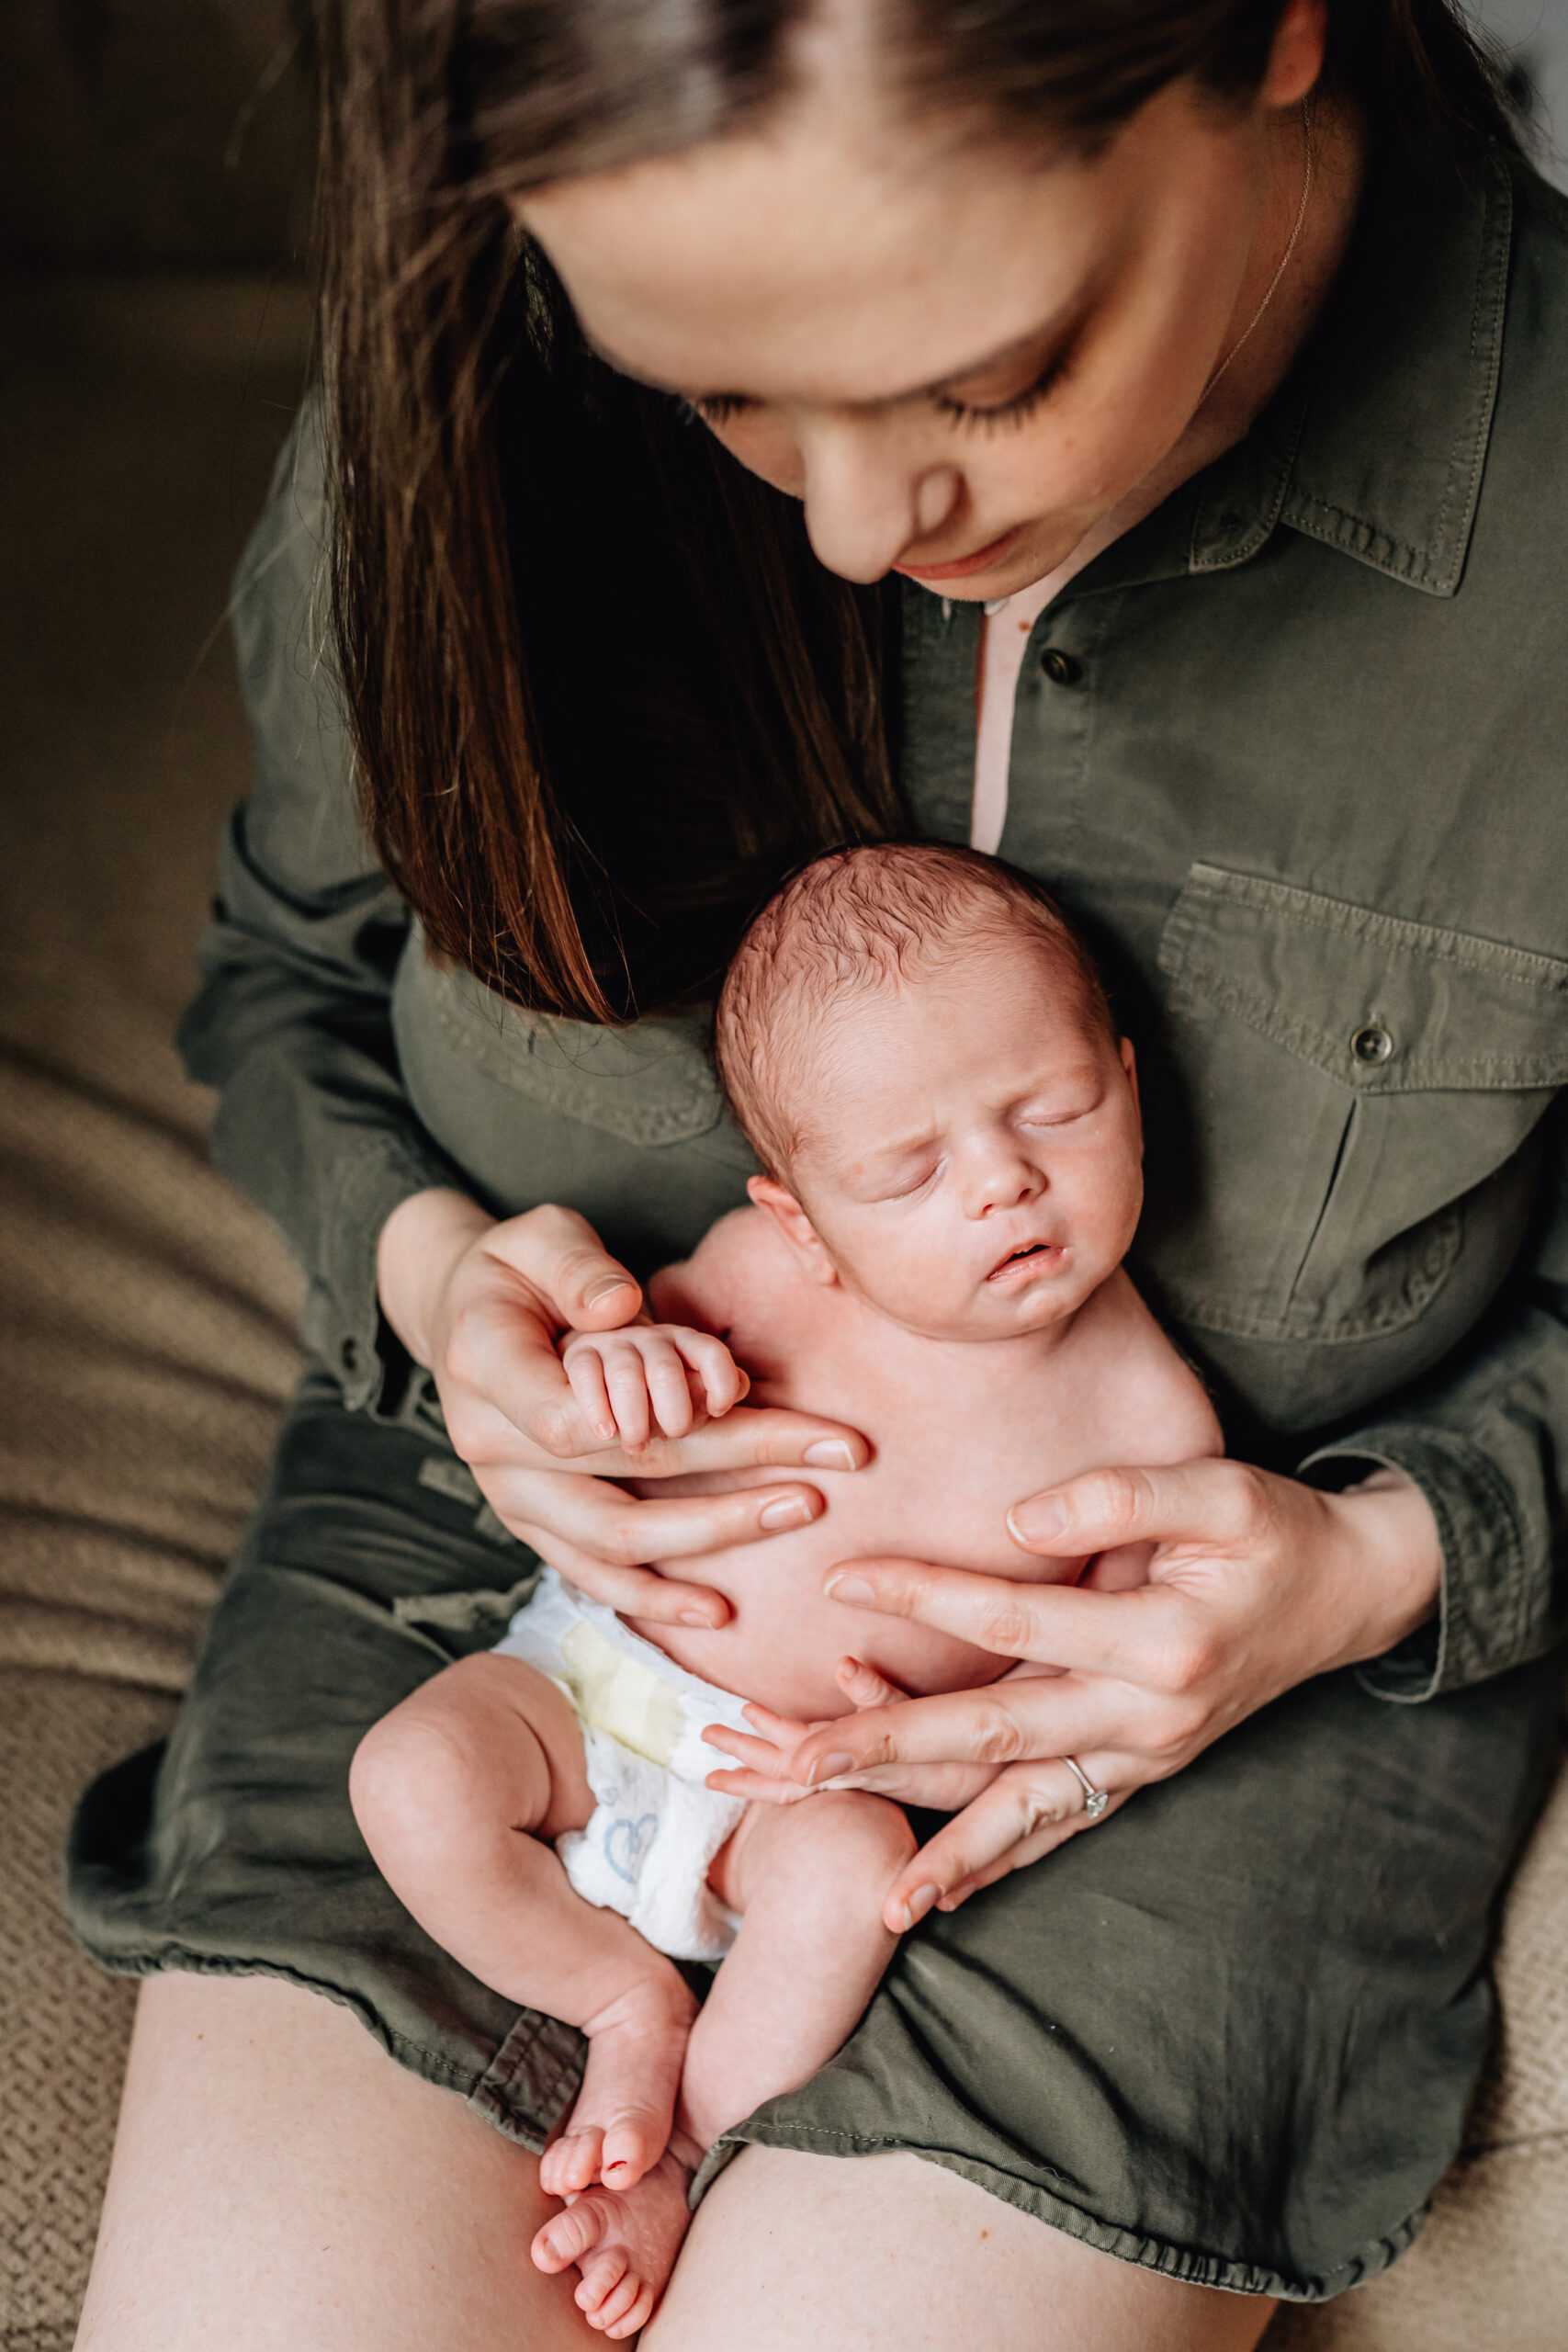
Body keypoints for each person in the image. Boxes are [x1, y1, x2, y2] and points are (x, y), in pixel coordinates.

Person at [64, 0, 1568, 2345]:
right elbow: (289, 970)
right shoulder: (493, 357)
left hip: (1198, 1713)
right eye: (728, 393)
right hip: (504, 1586)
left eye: (985, 376)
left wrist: (1376, 1556)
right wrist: (442, 1267)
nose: (854, 529)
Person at [350, 843, 1222, 2336]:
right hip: (588, 1684)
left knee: (847, 1886)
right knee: (412, 1777)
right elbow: (610, 1381)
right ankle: (621, 2000)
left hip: (792, 1793)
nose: (1004, 1178)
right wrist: (631, 1366)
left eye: (1059, 1110)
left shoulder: (1152, 1422)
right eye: (909, 1170)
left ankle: (680, 2143)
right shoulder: (756, 1272)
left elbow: (1118, 1680)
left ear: (1131, 1083)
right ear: (805, 1218)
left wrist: (993, 1724)